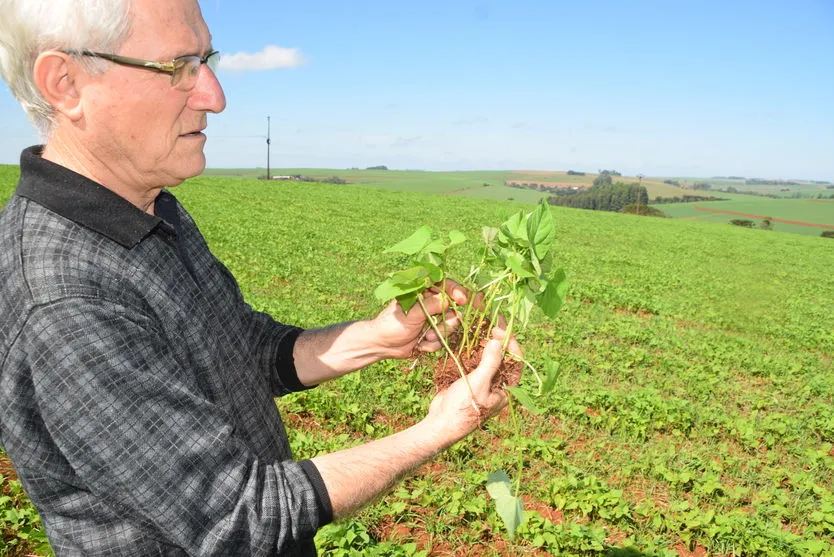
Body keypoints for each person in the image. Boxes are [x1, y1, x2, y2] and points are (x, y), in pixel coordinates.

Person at [0, 0, 516, 554]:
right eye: (179, 68)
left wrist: (371, 339)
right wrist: (440, 428)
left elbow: (236, 350)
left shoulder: (148, 207)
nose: (215, 97)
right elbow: (241, 517)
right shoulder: (63, 300)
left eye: (207, 59)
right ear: (66, 82)